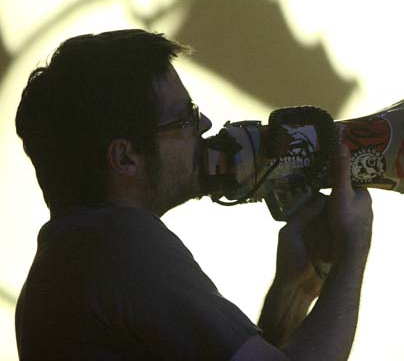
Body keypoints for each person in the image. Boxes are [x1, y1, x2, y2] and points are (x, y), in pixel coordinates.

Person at [14, 29, 373, 360]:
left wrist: (293, 291)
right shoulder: (122, 246)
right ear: (125, 157)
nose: (204, 125)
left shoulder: (72, 258)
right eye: (185, 118)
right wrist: (353, 250)